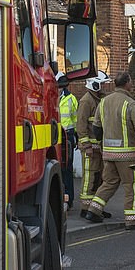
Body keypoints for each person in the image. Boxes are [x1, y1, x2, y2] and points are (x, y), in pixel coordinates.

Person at [84, 72, 135, 230]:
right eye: (131, 81)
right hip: (127, 156)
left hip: (108, 154)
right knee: (132, 185)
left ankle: (93, 210)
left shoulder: (104, 102)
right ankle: (132, 220)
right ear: (127, 83)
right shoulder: (130, 103)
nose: (132, 84)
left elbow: (97, 129)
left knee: (109, 183)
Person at [76, 70, 112, 219]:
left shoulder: (98, 99)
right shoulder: (86, 101)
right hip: (90, 149)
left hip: (99, 149)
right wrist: (87, 146)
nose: (103, 87)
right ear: (94, 84)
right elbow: (81, 126)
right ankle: (85, 208)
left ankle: (96, 207)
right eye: (102, 84)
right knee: (89, 178)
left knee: (99, 178)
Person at [58, 73, 78, 210]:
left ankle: (68, 199)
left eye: (61, 87)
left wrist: (76, 136)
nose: (59, 89)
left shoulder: (71, 99)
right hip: (54, 135)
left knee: (67, 170)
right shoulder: (50, 96)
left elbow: (76, 120)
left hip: (68, 136)